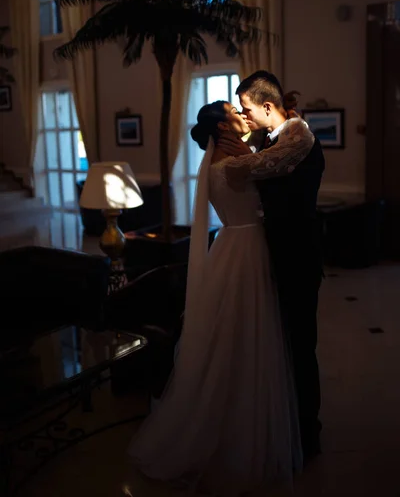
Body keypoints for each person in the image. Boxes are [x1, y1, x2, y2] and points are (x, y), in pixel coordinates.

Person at [128, 100, 315, 496]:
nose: (244, 116)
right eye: (236, 112)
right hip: (246, 250)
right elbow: (280, 162)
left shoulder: (226, 165)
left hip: (232, 246)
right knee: (246, 338)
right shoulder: (231, 168)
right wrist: (297, 125)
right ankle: (238, 433)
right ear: (223, 130)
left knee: (235, 336)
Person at [220, 70, 325, 462]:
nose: (244, 117)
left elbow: (242, 170)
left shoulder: (298, 137)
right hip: (274, 254)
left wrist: (234, 148)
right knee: (278, 343)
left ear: (268, 107)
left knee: (300, 345)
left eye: (247, 109)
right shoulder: (271, 137)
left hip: (298, 257)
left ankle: (307, 436)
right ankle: (283, 424)